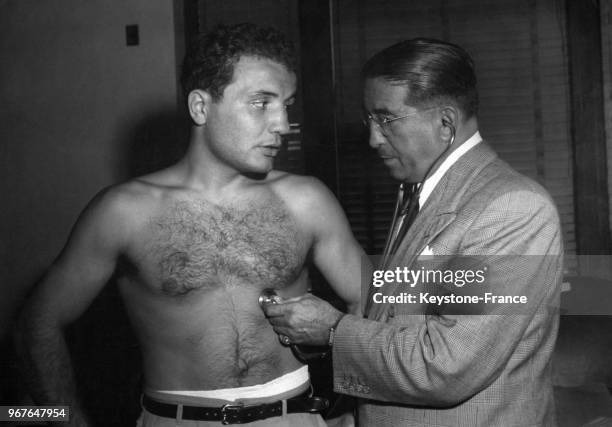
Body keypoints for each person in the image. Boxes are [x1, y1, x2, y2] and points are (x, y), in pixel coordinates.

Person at [15, 23, 367, 427]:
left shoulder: (308, 201)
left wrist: (356, 407)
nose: (283, 125)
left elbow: (371, 302)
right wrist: (67, 420)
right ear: (200, 107)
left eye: (286, 104)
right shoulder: (124, 211)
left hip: (294, 415)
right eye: (261, 103)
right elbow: (36, 324)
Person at [264, 38, 563, 426]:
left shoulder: (513, 207)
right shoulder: (418, 190)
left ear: (445, 123)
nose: (373, 138)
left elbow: (446, 367)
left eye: (386, 119)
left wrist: (333, 330)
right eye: (368, 119)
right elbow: (395, 320)